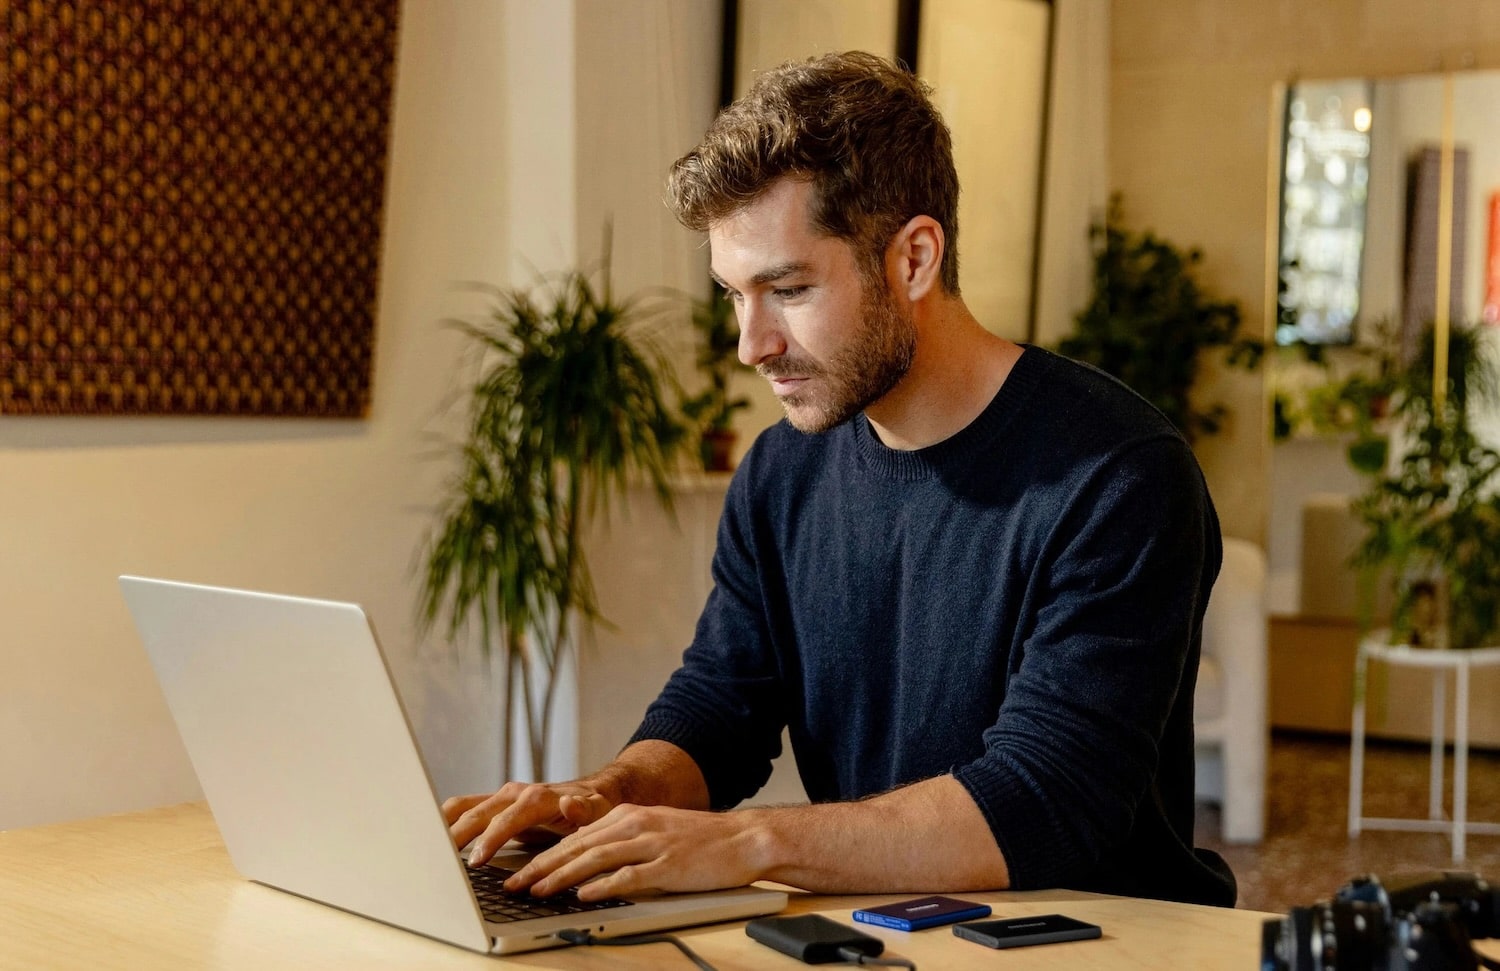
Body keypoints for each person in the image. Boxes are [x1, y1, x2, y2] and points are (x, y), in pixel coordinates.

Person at [444, 50, 1236, 908]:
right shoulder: (783, 471)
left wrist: (744, 842)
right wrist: (605, 800)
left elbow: (1045, 800)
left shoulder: (1117, 475)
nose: (753, 345)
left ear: (915, 258)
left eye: (785, 288)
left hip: (1091, 947)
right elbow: (722, 707)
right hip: (879, 933)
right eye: (733, 296)